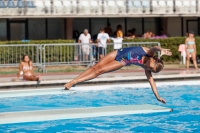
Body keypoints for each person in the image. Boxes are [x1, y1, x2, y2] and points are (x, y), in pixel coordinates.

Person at [64, 46, 172, 104]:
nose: (148, 69)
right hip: (117, 53)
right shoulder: (150, 54)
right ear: (153, 61)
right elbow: (154, 47)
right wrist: (161, 49)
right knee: (95, 67)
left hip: (121, 62)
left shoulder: (146, 67)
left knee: (99, 71)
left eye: (151, 70)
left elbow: (152, 82)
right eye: (151, 68)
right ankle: (74, 81)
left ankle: (73, 82)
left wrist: (157, 96)